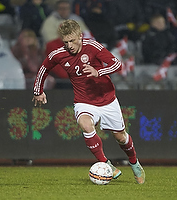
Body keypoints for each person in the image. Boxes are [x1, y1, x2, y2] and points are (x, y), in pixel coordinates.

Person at [32, 19, 145, 184]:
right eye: (66, 42)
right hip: (83, 100)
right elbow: (44, 68)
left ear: (80, 36)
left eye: (72, 40)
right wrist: (38, 91)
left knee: (120, 137)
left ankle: (134, 162)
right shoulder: (58, 54)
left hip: (107, 99)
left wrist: (98, 71)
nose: (69, 45)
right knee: (85, 125)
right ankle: (106, 163)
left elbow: (117, 65)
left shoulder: (93, 46)